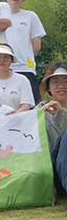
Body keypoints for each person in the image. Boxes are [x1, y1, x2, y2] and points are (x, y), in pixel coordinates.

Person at [2, 0, 47, 103]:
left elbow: (36, 46)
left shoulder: (31, 16)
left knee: (30, 105)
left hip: (25, 68)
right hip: (1, 67)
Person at [38, 62, 67, 193]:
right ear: (48, 87)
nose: (61, 86)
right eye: (55, 82)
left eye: (66, 81)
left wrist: (61, 113)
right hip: (52, 170)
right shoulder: (40, 110)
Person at [0, 43, 33, 113]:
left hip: (17, 118)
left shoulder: (22, 80)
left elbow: (26, 104)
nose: (2, 60)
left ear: (11, 60)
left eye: (6, 57)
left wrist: (15, 114)